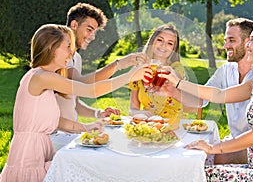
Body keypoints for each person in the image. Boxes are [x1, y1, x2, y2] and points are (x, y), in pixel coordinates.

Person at [0, 24, 148, 182]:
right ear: (52, 48)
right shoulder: (41, 77)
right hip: (29, 154)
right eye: (67, 46)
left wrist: (85, 128)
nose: (71, 53)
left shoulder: (45, 78)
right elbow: (91, 90)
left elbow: (55, 121)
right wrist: (129, 77)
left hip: (40, 148)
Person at [160, 19, 253, 181]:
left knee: (200, 174)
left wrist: (213, 148)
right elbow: (218, 95)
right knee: (199, 168)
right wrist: (178, 83)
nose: (248, 46)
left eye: (252, 40)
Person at [52, 3, 146, 149]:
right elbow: (83, 85)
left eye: (95, 32)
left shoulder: (76, 57)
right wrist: (118, 64)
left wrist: (99, 113)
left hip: (70, 132)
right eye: (89, 29)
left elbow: (73, 101)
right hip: (56, 135)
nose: (92, 36)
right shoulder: (60, 55)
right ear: (75, 24)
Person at [128, 24, 186, 120]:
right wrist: (140, 113)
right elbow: (133, 109)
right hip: (149, 124)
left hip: (174, 124)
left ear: (173, 50)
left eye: (170, 43)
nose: (164, 45)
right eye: (160, 40)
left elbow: (178, 81)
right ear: (152, 41)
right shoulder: (139, 70)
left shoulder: (175, 68)